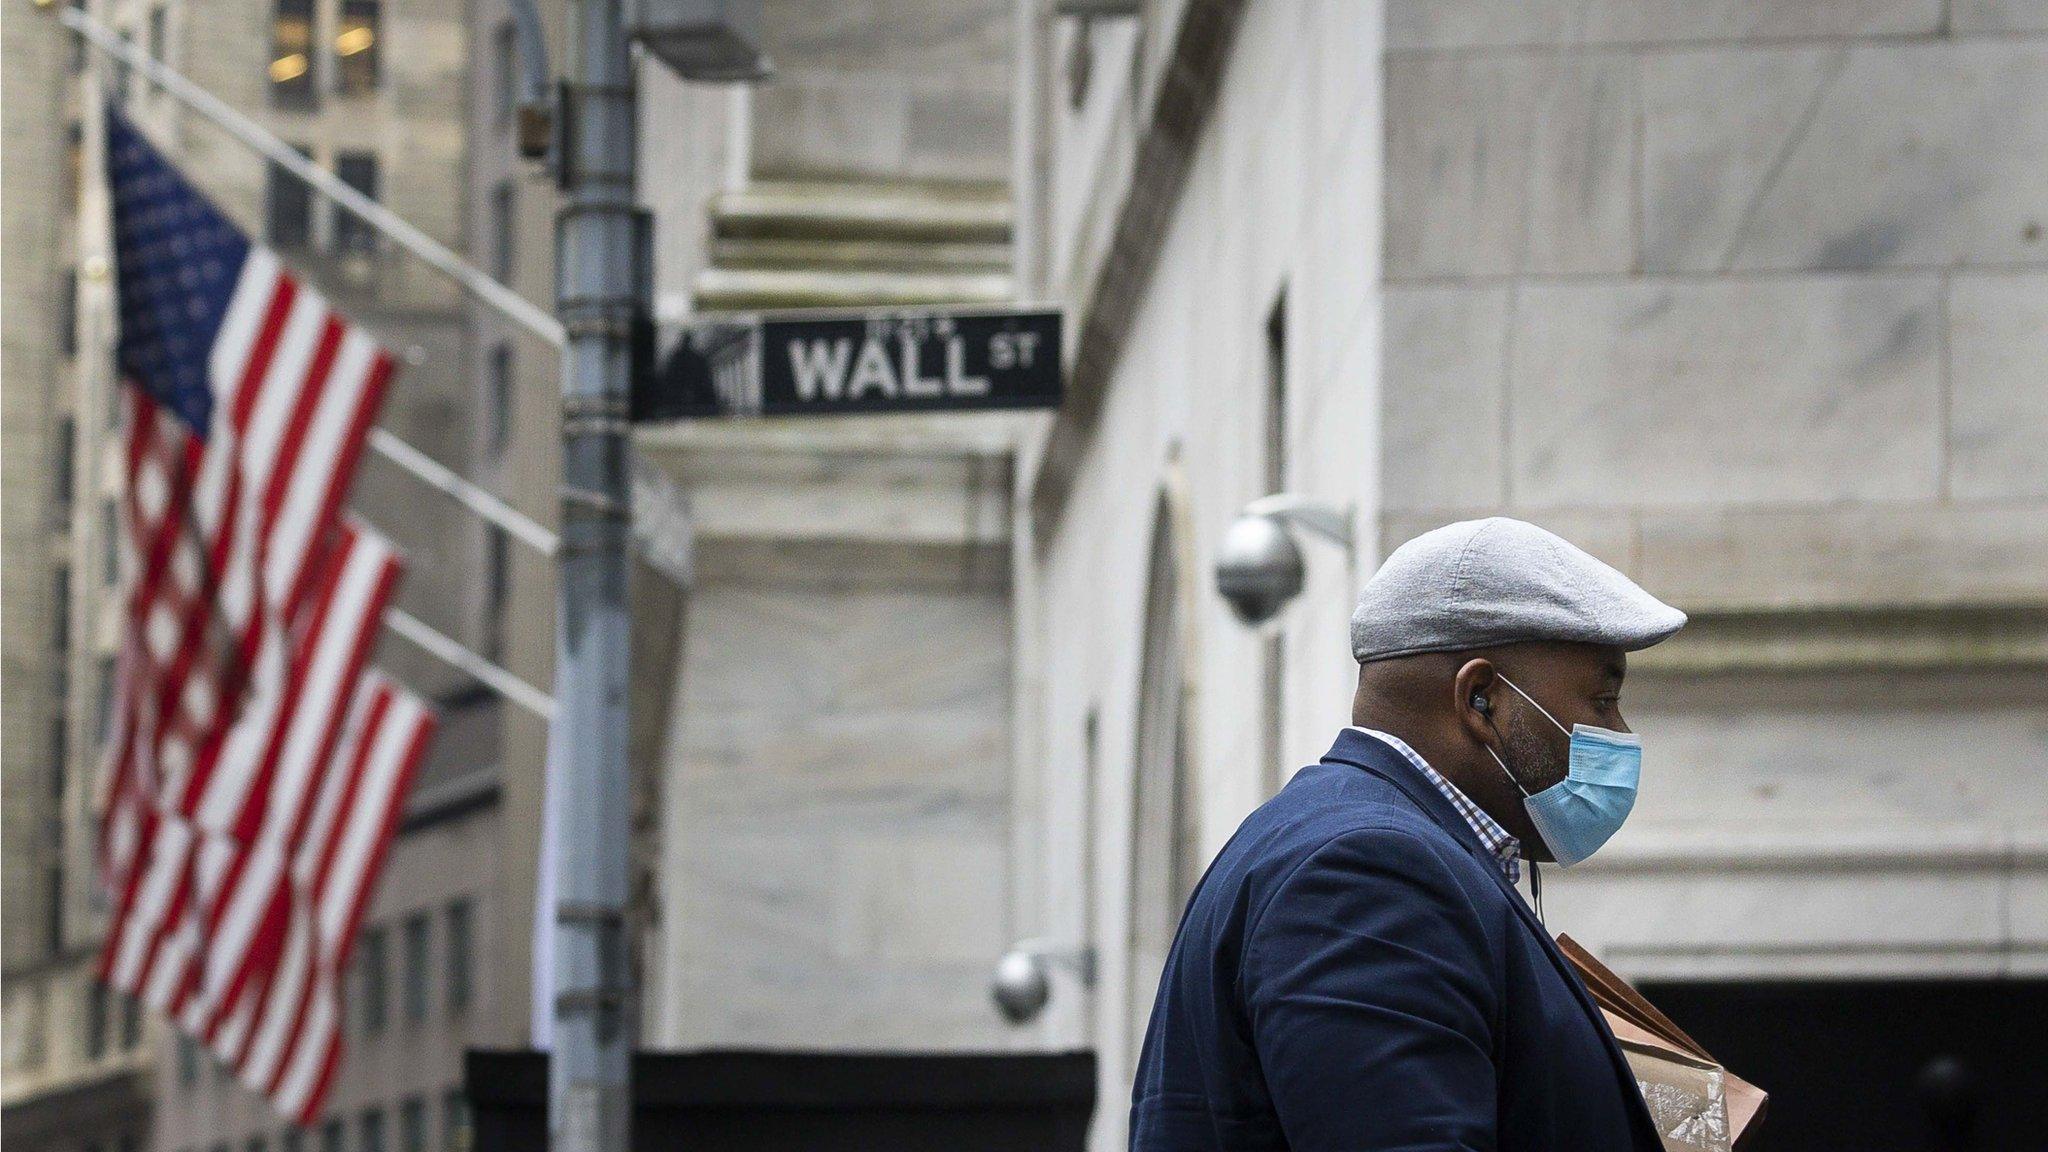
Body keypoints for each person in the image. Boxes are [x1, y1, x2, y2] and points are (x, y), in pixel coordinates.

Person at [1130, 517, 1687, 1152]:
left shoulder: (1363, 846)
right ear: (1481, 700)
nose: (1618, 730)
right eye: (1600, 700)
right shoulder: (1367, 874)